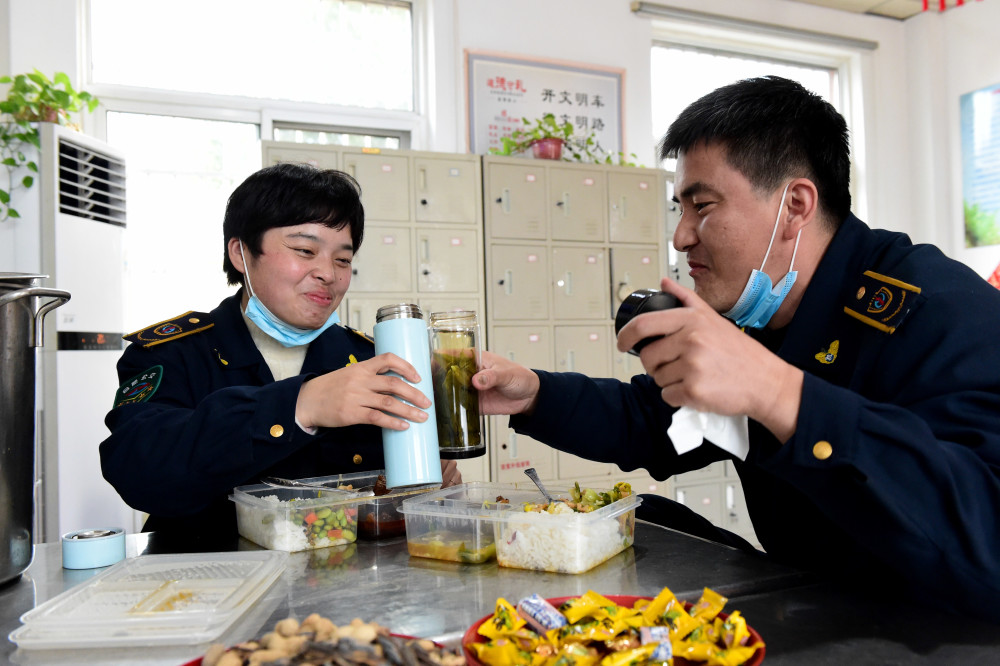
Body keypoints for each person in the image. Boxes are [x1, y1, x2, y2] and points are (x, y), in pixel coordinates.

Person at [472, 76, 1000, 621]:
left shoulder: (939, 312)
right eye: (680, 208)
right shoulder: (765, 312)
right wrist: (533, 395)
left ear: (795, 205)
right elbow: (659, 421)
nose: (681, 236)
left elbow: (986, 542)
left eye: (702, 206)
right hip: (819, 610)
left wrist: (779, 392)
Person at [100, 162, 460, 543]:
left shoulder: (369, 359)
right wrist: (298, 405)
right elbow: (138, 471)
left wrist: (431, 478)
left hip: (343, 587)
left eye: (343, 259)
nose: (328, 273)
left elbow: (401, 494)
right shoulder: (175, 352)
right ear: (241, 253)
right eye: (305, 250)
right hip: (213, 586)